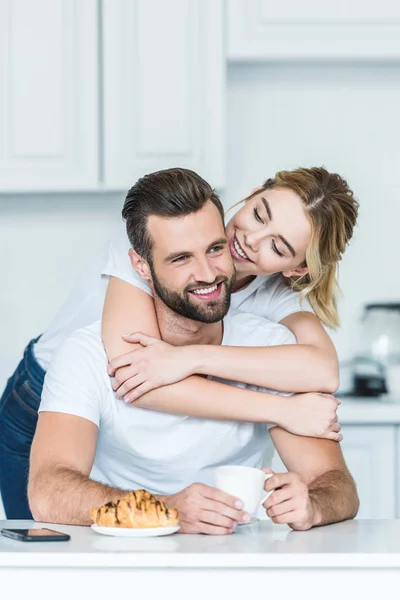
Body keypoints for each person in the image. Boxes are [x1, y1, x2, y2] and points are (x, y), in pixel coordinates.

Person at [0, 165, 359, 518]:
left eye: (277, 247)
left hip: (124, 410)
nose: (251, 239)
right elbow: (141, 379)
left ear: (296, 269)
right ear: (251, 195)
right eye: (259, 215)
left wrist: (192, 358)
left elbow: (322, 370)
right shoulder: (156, 237)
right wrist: (282, 410)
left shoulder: (273, 302)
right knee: (43, 537)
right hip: (40, 391)